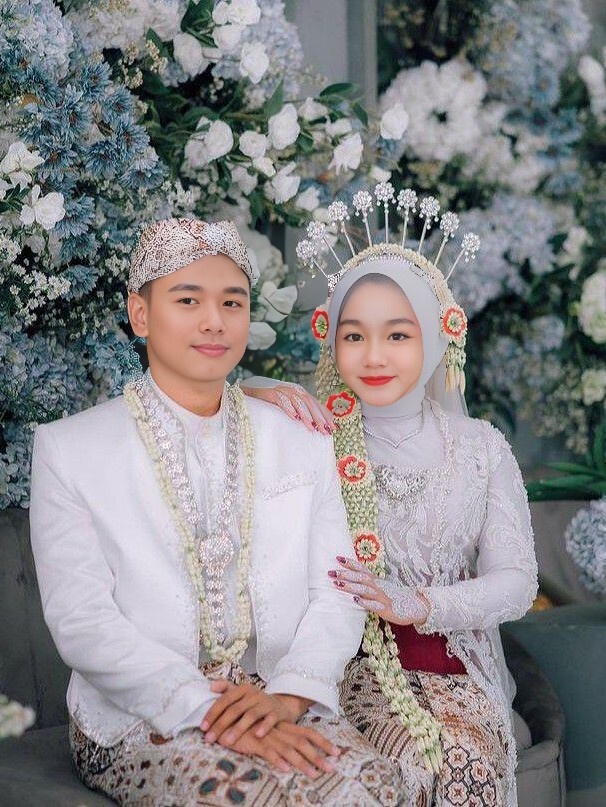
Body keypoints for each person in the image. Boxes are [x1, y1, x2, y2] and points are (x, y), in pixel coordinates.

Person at [29, 217, 404, 806]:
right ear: (140, 315)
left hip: (274, 692)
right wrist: (203, 707)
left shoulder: (300, 436)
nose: (214, 321)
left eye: (233, 302)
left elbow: (337, 591)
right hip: (141, 710)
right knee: (253, 796)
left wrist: (289, 696)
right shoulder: (71, 449)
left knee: (373, 786)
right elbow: (82, 622)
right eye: (188, 300)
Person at [244, 186, 538, 806]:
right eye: (354, 337)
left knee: (460, 767)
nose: (374, 357)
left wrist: (421, 604)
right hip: (341, 671)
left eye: (398, 336)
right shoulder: (316, 432)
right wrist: (254, 390)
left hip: (452, 665)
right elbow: (201, 409)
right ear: (332, 341)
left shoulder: (480, 448)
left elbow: (517, 583)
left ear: (436, 335)